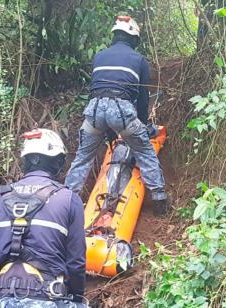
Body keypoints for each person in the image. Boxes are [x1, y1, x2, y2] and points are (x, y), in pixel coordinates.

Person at [64, 16, 170, 215]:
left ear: (115, 35)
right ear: (134, 38)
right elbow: (142, 99)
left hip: (94, 112)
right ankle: (159, 198)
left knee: (82, 159)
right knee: (145, 153)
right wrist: (144, 126)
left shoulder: (99, 56)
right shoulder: (139, 60)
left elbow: (97, 88)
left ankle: (65, 205)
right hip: (122, 111)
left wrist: (110, 131)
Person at [0, 129, 87, 308]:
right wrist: (77, 299)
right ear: (56, 161)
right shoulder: (68, 199)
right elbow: (76, 263)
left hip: (0, 298)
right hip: (48, 298)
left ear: (27, 160)